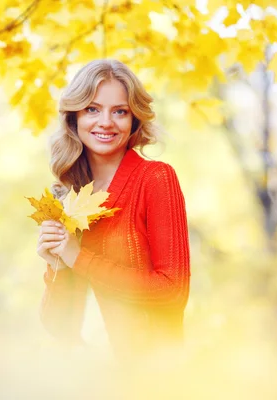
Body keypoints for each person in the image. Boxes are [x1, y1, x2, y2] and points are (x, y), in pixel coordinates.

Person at [36, 59, 190, 362]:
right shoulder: (67, 198)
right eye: (92, 109)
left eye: (119, 111)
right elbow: (58, 326)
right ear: (74, 117)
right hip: (90, 374)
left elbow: (172, 292)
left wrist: (79, 257)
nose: (105, 122)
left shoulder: (155, 179)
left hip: (152, 372)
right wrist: (57, 266)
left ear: (134, 119)